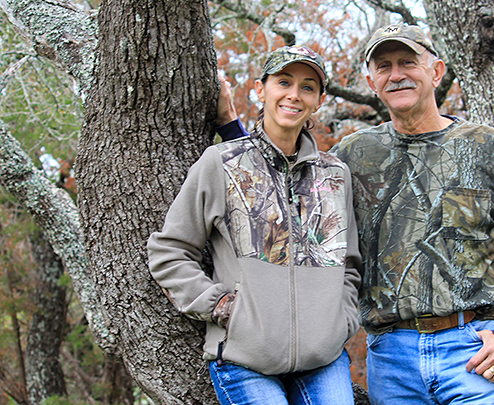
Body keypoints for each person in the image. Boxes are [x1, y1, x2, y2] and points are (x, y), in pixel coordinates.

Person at [217, 25, 494, 404]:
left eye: (408, 62)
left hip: (474, 350)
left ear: (437, 71)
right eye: (384, 66)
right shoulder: (352, 156)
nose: (396, 75)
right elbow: (282, 196)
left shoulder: (488, 147)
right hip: (392, 358)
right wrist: (231, 129)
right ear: (371, 80)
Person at [147, 45, 362, 405]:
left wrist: (341, 320)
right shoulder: (222, 163)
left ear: (319, 100)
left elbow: (350, 265)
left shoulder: (335, 175)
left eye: (307, 87)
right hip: (245, 358)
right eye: (283, 82)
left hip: (323, 357)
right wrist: (222, 308)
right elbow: (169, 251)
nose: (294, 94)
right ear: (261, 90)